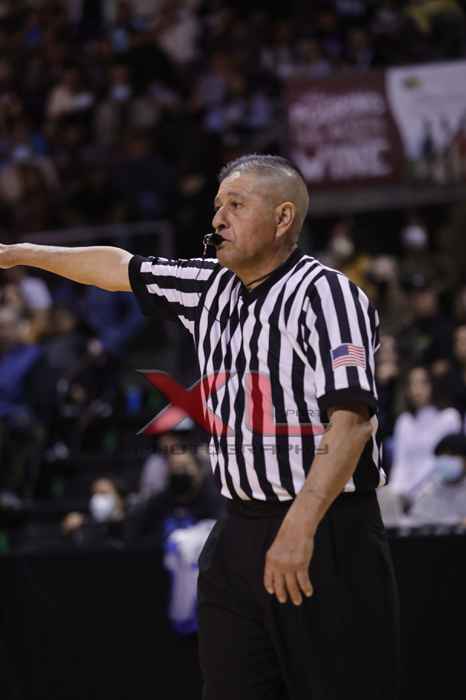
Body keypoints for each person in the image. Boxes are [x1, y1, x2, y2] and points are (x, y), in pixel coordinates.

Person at [0, 154, 400, 699]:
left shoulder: (327, 295)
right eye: (217, 206)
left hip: (326, 528)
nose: (217, 219)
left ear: (283, 218)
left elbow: (351, 423)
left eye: (236, 205)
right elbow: (117, 267)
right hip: (239, 528)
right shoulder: (208, 285)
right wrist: (18, 253)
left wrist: (299, 527)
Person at [389, 366, 461, 505]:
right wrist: (396, 493)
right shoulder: (404, 421)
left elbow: (450, 463)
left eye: (423, 383)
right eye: (413, 384)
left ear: (433, 384)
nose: (417, 389)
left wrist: (420, 493)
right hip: (406, 495)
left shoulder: (449, 417)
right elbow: (400, 463)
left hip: (440, 493)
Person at [409, 433, 466, 527]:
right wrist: (456, 523)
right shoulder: (429, 491)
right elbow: (416, 523)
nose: (446, 461)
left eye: (452, 455)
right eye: (442, 456)